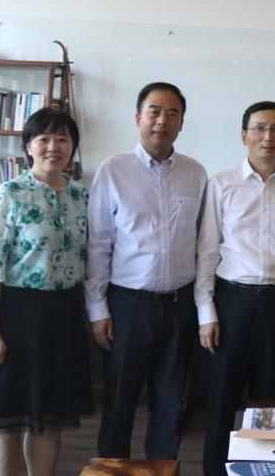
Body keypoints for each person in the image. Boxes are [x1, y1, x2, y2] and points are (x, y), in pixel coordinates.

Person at [0, 108, 91, 476]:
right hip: (15, 314)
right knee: (7, 416)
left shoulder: (81, 196)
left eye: (62, 139)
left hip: (63, 313)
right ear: (28, 146)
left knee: (48, 415)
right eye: (43, 139)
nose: (53, 147)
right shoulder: (10, 194)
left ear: (73, 146)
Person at [85, 82, 208, 459]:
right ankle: (112, 467)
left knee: (170, 402)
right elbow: (99, 243)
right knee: (119, 400)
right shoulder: (113, 171)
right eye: (154, 111)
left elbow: (203, 242)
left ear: (182, 122)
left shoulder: (196, 173)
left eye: (172, 114)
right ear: (138, 117)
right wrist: (98, 309)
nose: (162, 121)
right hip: (128, 305)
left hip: (179, 305)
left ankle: (162, 468)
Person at [196, 101, 275, 476]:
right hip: (232, 302)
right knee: (221, 399)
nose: (268, 137)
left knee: (267, 403)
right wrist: (206, 313)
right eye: (259, 128)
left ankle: (259, 470)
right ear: (244, 135)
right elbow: (207, 252)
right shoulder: (221, 184)